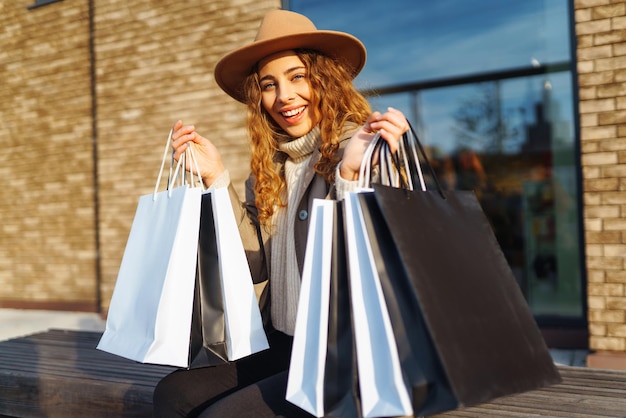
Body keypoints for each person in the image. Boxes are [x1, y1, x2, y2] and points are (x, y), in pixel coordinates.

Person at [153, 9, 409, 418]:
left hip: (342, 353)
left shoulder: (363, 148)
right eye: (269, 85)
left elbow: (378, 257)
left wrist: (348, 175)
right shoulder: (272, 169)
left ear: (324, 80)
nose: (284, 96)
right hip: (285, 343)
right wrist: (218, 178)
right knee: (173, 395)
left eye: (297, 76)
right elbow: (252, 264)